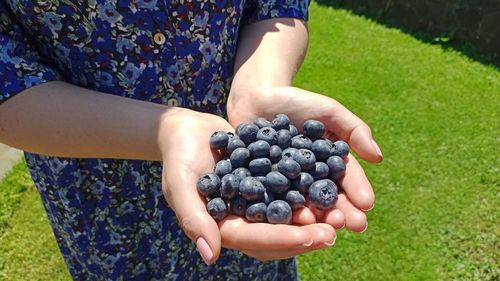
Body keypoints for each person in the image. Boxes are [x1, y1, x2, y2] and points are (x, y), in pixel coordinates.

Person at [0, 0, 383, 280]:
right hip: (104, 187)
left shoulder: (253, 176)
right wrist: (169, 130)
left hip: (225, 147)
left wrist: (259, 84)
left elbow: (276, 5)